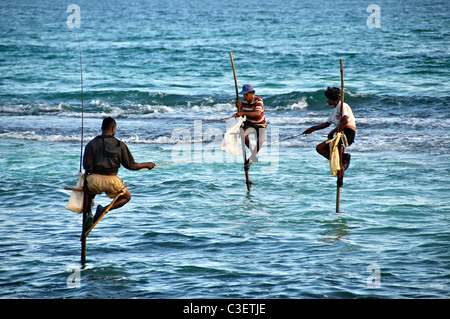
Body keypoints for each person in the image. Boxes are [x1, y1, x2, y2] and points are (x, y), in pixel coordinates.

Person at [82, 117, 155, 229]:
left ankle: (89, 214)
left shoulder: (91, 144)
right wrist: (147, 164)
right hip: (112, 181)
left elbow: (88, 167)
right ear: (113, 128)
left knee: (89, 194)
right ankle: (104, 209)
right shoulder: (120, 145)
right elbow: (131, 165)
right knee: (126, 197)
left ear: (102, 128)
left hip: (94, 180)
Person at [302, 87, 356, 170]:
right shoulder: (334, 111)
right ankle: (340, 160)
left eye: (327, 98)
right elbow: (327, 124)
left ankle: (344, 158)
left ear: (331, 99)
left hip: (348, 133)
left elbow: (345, 121)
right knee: (320, 148)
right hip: (340, 133)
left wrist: (333, 132)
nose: (327, 101)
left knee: (332, 147)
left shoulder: (342, 106)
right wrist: (312, 128)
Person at [233, 84, 267, 170]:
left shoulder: (258, 100)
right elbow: (243, 116)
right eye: (244, 95)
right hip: (249, 124)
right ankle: (253, 153)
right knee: (243, 134)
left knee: (261, 140)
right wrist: (239, 109)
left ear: (252, 93)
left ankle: (251, 158)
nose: (245, 96)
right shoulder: (243, 102)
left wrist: (243, 113)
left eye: (246, 94)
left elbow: (257, 113)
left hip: (261, 125)